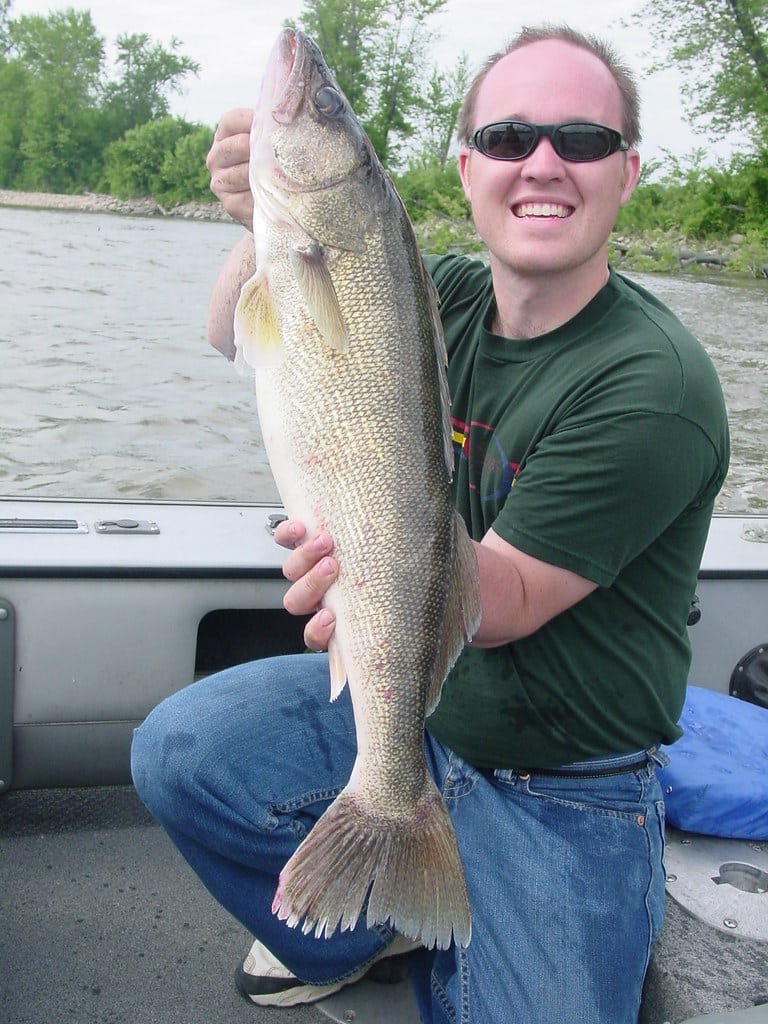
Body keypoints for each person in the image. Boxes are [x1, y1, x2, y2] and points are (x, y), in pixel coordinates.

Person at [131, 23, 730, 1024]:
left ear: (626, 172)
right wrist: (260, 219)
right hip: (422, 711)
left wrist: (363, 564)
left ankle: (409, 850)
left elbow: (500, 604)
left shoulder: (652, 383)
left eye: (581, 139)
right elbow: (230, 329)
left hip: (563, 782)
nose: (543, 162)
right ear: (466, 168)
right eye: (509, 137)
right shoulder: (435, 290)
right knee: (183, 753)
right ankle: (380, 917)